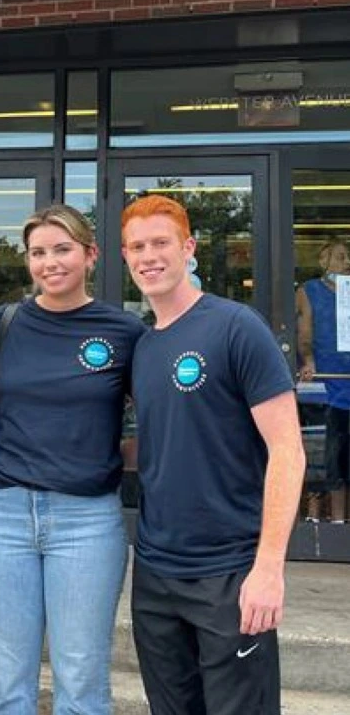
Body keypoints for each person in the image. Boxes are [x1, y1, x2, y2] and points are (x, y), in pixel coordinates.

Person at [121, 194, 306, 715]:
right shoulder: (143, 345)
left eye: (161, 242)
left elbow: (287, 450)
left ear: (189, 248)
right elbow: (171, 443)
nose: (148, 256)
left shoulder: (234, 327)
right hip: (155, 572)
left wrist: (269, 567)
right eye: (137, 246)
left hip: (229, 573)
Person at [0, 204, 144, 715]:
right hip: (2, 515)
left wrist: (125, 455)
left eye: (62, 249)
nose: (50, 262)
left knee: (82, 682)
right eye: (38, 252)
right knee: (4, 683)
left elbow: (157, 417)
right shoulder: (5, 324)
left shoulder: (124, 332)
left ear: (90, 255)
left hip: (86, 520)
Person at [296, 237, 350, 522]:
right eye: (340, 256)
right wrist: (309, 362)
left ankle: (340, 520)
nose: (347, 263)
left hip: (345, 378)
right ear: (323, 261)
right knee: (328, 454)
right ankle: (324, 519)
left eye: (348, 257)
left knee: (342, 455)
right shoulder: (310, 291)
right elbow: (304, 334)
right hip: (328, 384)